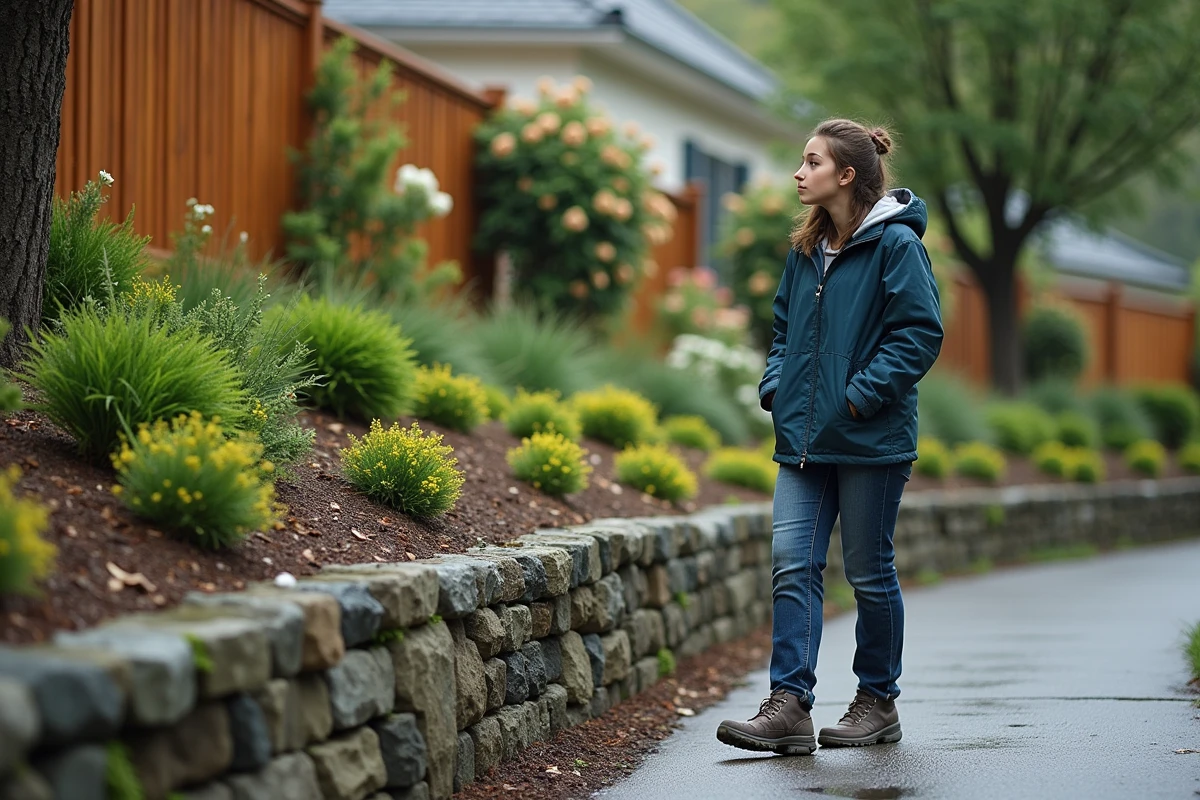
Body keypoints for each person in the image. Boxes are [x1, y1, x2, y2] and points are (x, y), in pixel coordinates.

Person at [716, 119, 943, 755]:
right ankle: (789, 705)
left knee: (869, 574)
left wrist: (861, 396)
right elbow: (784, 331)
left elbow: (920, 333)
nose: (798, 172)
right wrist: (775, 384)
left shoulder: (897, 247)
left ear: (846, 175)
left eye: (811, 162)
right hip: (804, 441)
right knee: (793, 567)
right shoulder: (805, 250)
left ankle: (878, 700)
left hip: (871, 438)